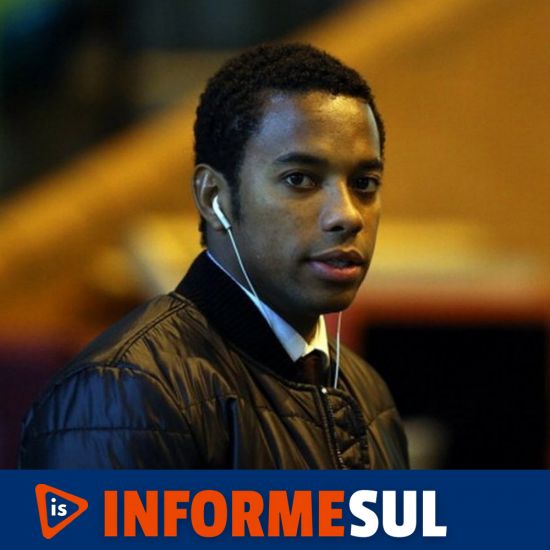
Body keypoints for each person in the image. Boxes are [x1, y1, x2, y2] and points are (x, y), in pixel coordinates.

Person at [19, 43, 409, 469]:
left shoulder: (368, 392)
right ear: (213, 197)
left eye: (365, 183)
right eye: (300, 179)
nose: (347, 215)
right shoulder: (124, 394)